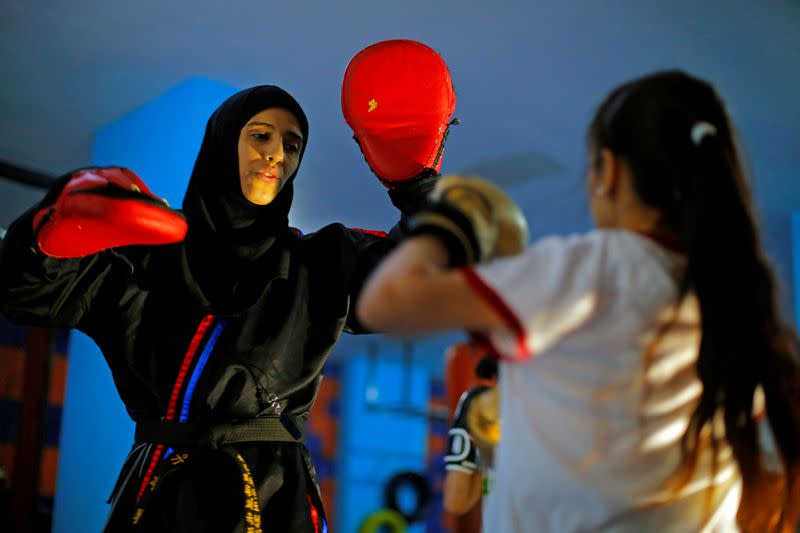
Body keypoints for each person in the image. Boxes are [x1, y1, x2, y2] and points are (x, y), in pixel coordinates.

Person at [0, 40, 457, 533]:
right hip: (162, 498)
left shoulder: (321, 261)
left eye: (292, 144)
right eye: (260, 135)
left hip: (273, 499)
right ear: (222, 142)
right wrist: (52, 227)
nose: (276, 155)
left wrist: (418, 187)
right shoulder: (146, 249)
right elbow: (27, 294)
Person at [357, 70, 800, 532]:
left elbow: (387, 300)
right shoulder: (732, 299)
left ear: (608, 173)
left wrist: (443, 218)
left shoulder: (587, 269)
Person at [444, 355, 498, 517]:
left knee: (456, 506)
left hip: (461, 451)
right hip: (470, 453)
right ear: (496, 376)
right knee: (456, 505)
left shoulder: (467, 395)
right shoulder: (488, 396)